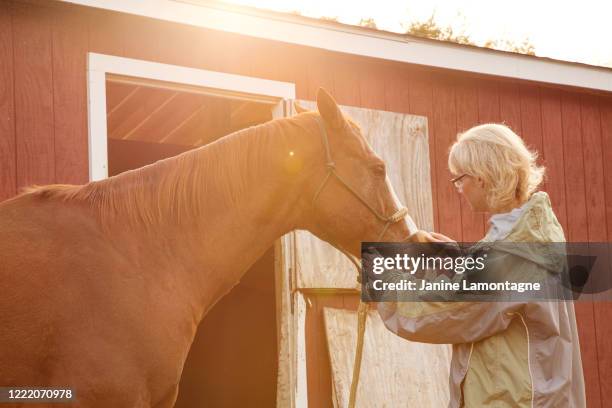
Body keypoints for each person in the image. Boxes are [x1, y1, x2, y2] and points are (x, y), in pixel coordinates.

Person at [376, 123, 586, 407]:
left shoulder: (517, 251)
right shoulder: (529, 230)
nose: (459, 188)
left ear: (482, 177)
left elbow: (446, 310)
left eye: (459, 179)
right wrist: (462, 259)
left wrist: (382, 279)